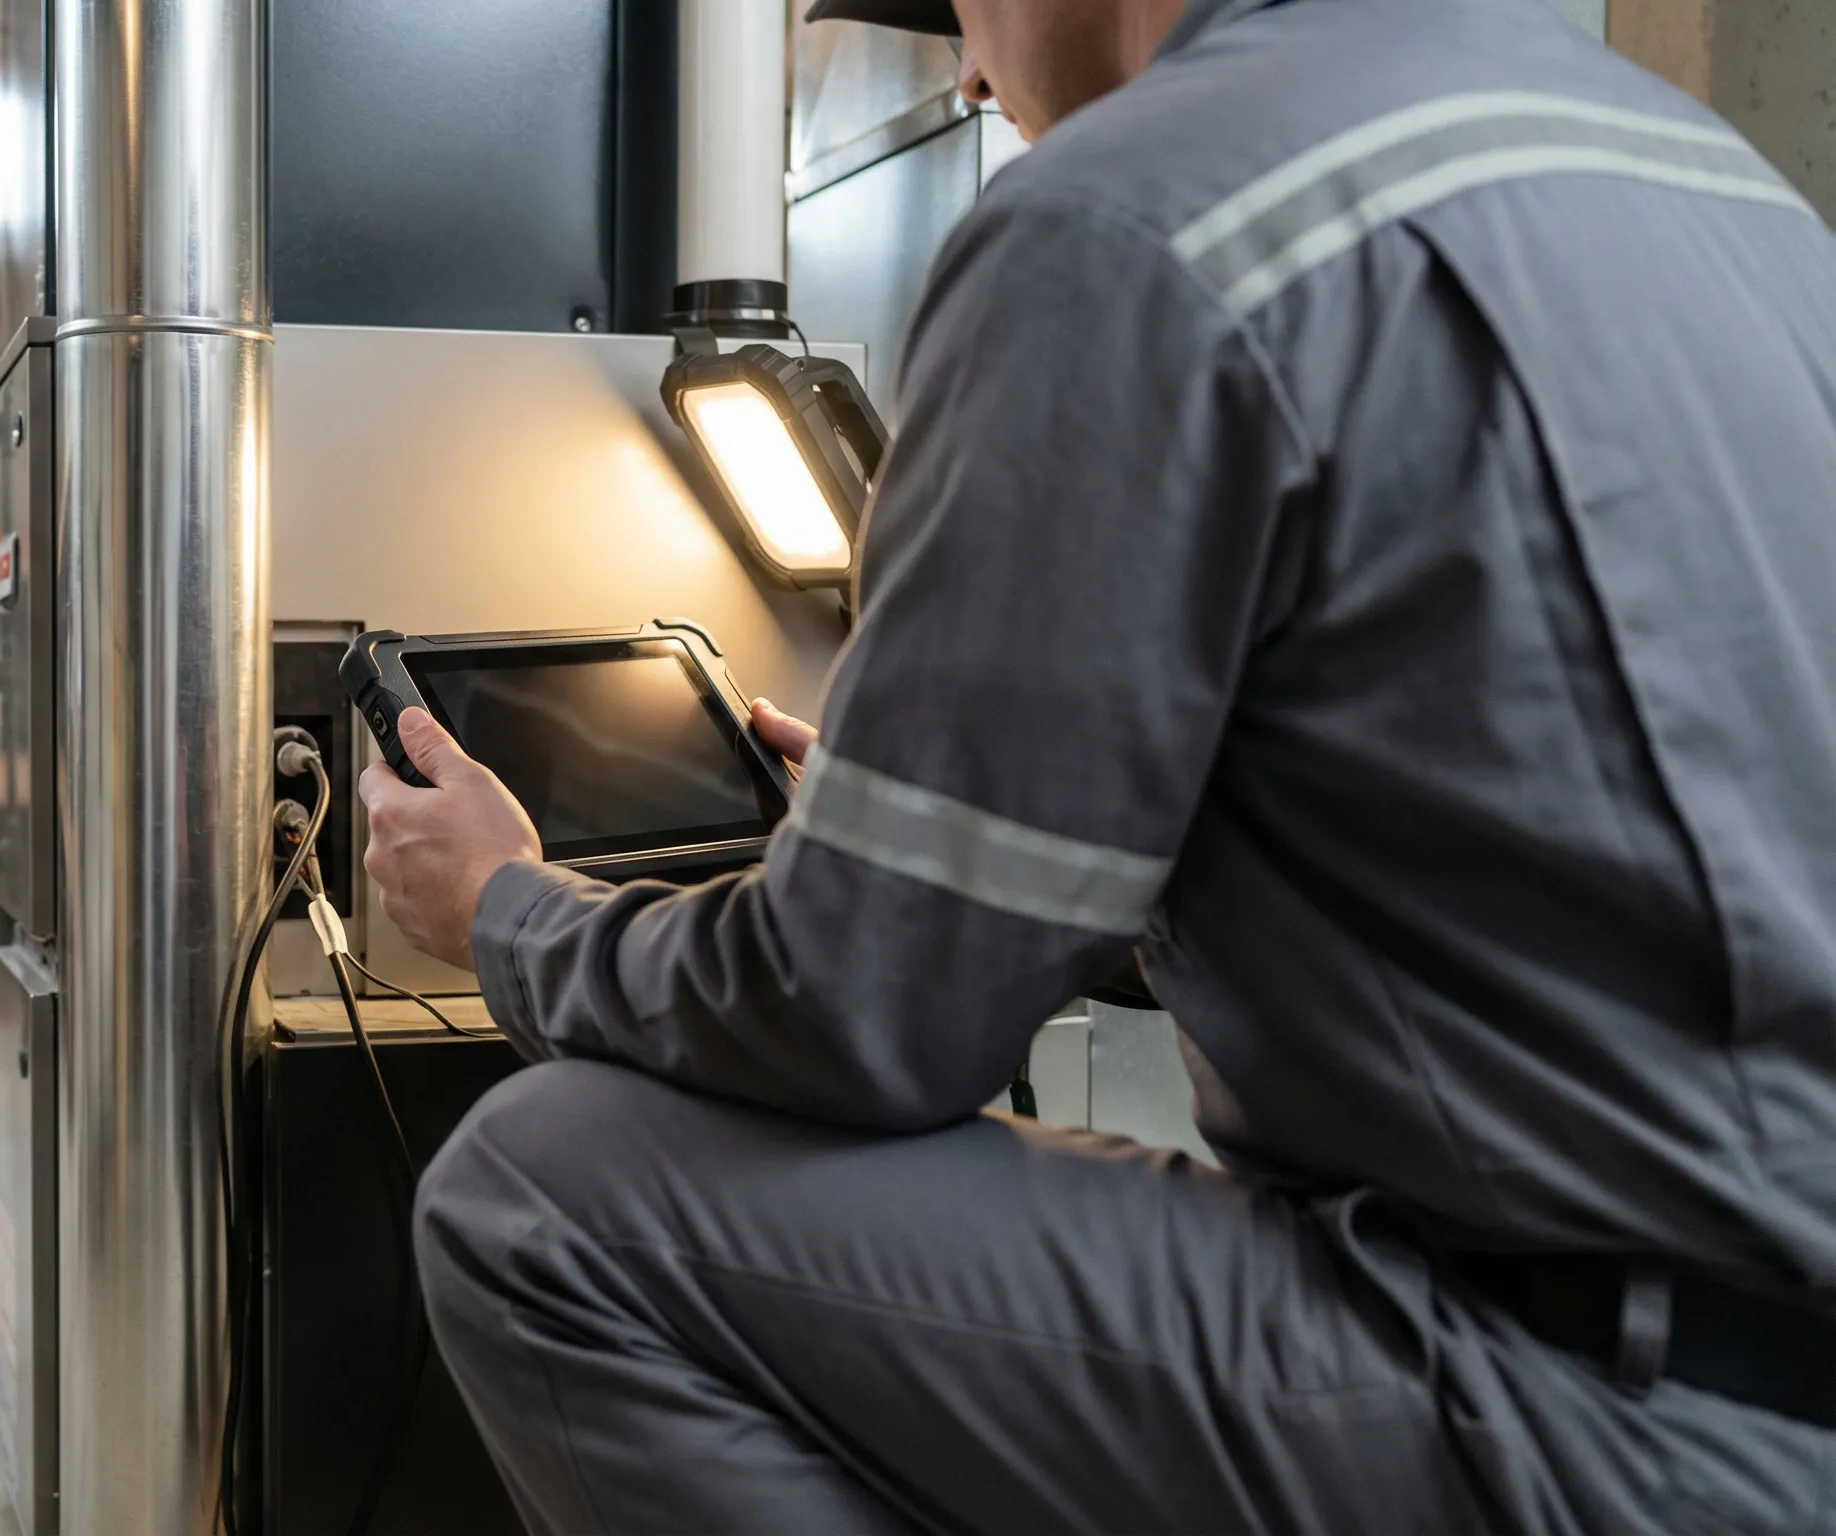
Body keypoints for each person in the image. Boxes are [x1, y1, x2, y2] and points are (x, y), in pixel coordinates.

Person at [356, 0, 1836, 1528]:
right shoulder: (1705, 179)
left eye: (967, 10)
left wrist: (507, 912)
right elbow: (1509, 849)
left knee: (543, 1196)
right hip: (1770, 1369)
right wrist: (988, 856)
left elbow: (863, 1016)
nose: (975, 72)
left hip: (1586, 1415)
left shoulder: (1133, 209)